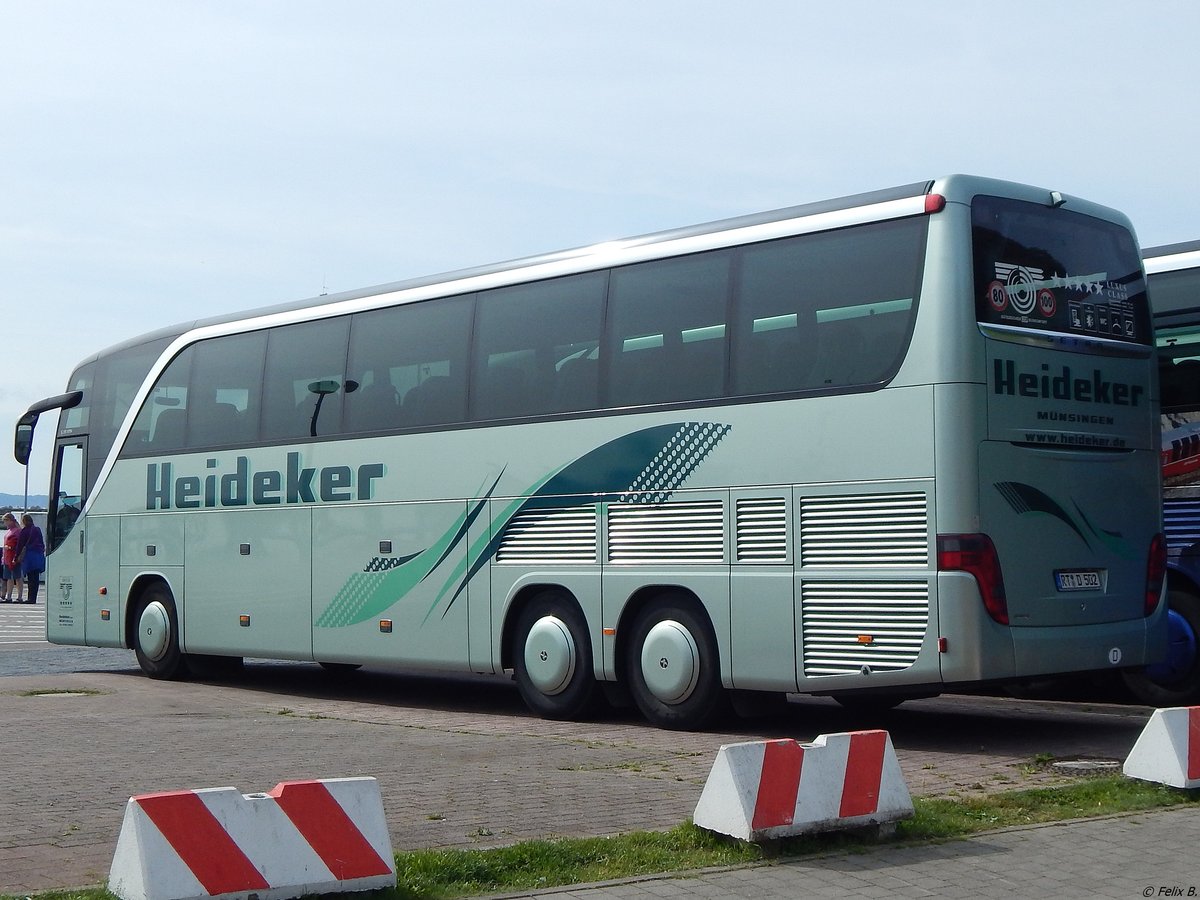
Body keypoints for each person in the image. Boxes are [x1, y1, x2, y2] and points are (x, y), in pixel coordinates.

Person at [15, 514, 44, 605]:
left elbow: (20, 545)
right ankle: (33, 598)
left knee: (30, 578)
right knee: (36, 578)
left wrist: (16, 557)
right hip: (38, 555)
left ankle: (30, 598)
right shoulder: (37, 529)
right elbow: (42, 543)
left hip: (29, 556)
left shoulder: (24, 531)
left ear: (24, 521)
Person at [1, 513, 22, 602]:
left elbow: (19, 544)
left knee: (17, 577)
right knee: (9, 577)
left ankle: (19, 596)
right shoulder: (10, 531)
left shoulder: (17, 531)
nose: (4, 523)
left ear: (10, 521)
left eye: (5, 521)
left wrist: (10, 548)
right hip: (7, 557)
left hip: (14, 557)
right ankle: (9, 596)